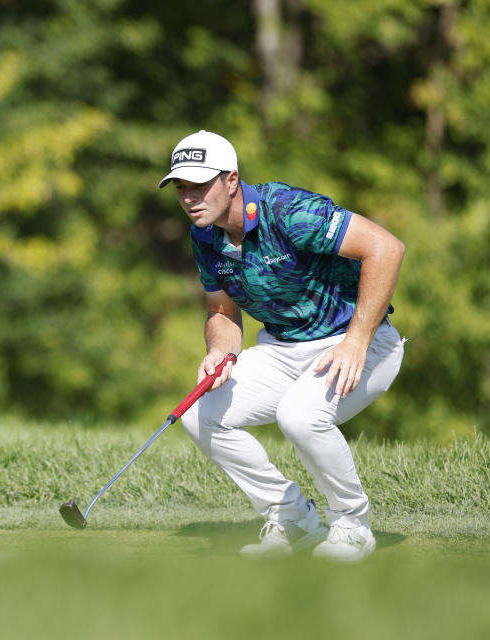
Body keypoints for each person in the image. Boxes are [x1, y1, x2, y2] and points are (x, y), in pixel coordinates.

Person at [158, 130, 406, 562]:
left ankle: (352, 526)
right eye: (181, 188)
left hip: (361, 342)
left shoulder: (287, 211)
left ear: (231, 180)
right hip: (283, 349)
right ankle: (291, 517)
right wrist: (221, 351)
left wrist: (356, 340)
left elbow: (386, 248)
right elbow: (222, 312)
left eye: (200, 185)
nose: (190, 198)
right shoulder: (204, 235)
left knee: (301, 417)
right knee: (199, 414)